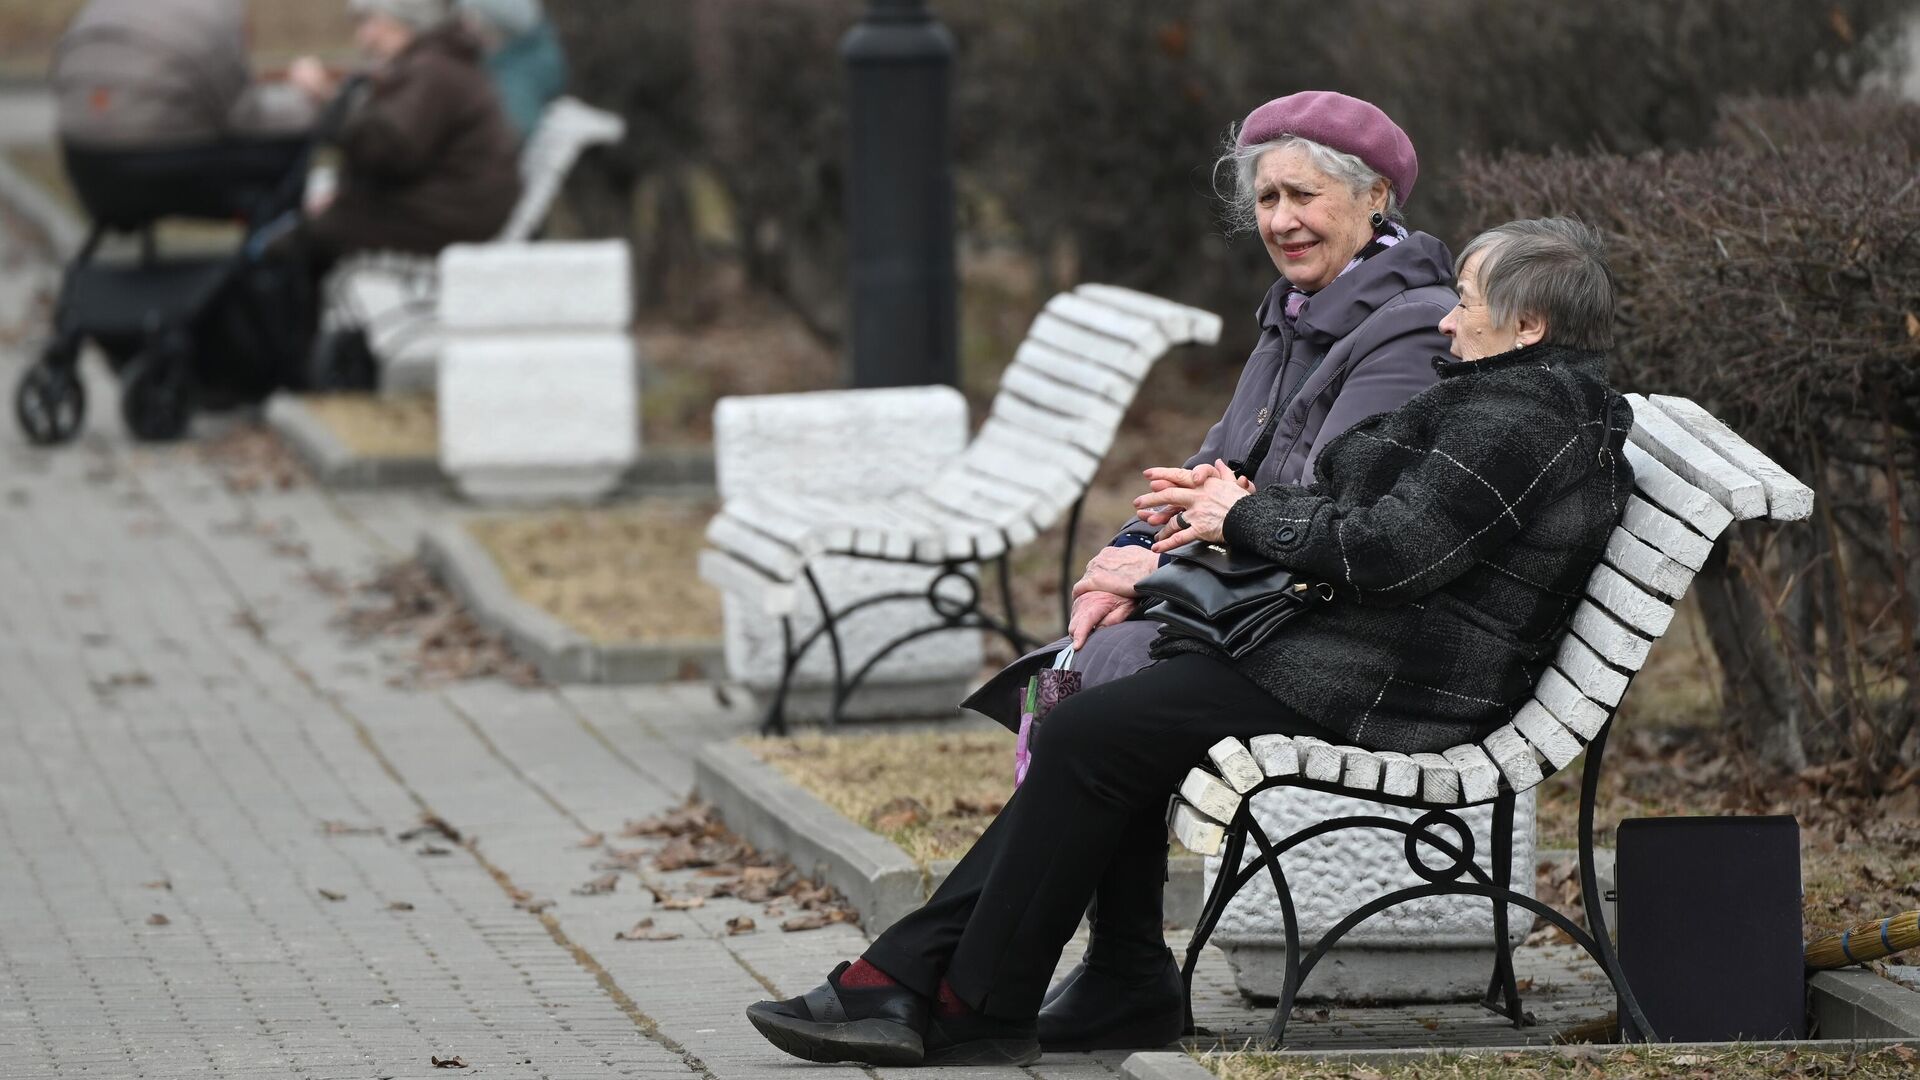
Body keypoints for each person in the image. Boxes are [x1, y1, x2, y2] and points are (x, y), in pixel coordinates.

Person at [745, 216, 1634, 1067]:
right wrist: (1231, 507)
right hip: (1363, 652)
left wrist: (1241, 516)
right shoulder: (1515, 400)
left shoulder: (1520, 417)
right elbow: (1372, 521)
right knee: (1104, 725)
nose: (1448, 315)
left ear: (1528, 323)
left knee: (1094, 733)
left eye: (1468, 299)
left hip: (1392, 681)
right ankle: (1069, 983)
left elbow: (1391, 552)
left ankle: (964, 1000)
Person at [953, 90, 1456, 1051]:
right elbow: (1210, 465)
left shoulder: (1404, 326)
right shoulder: (1296, 314)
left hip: (1332, 642)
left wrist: (1192, 528)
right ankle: (1114, 970)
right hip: (1260, 609)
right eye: (1266, 199)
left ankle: (1027, 975)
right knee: (1093, 658)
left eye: (1304, 196)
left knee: (1103, 695)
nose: (1281, 221)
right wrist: (1122, 562)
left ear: (1376, 196)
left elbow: (1323, 505)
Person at [281, 0, 521, 267]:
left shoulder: (431, 70)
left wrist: (330, 100)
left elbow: (387, 152)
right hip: (457, 209)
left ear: (403, 21)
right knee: (304, 229)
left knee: (297, 241)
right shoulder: (435, 62)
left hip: (453, 217)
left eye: (369, 22)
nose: (363, 38)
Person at [51, 0, 321, 227]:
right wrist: (305, 105)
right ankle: (279, 246)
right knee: (286, 148)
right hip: (172, 167)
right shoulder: (211, 15)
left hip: (87, 163)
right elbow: (243, 116)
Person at [457, 0, 569, 143]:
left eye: (471, 16)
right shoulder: (532, 52)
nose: (464, 24)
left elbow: (513, 135)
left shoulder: (516, 79)